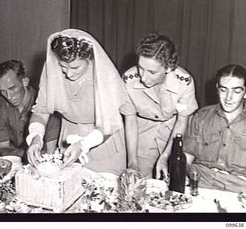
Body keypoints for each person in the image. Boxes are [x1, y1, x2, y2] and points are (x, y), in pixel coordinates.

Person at [25, 29, 137, 175]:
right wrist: (36, 137)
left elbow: (113, 121)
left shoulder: (104, 74)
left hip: (105, 146)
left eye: (76, 67)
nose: (69, 74)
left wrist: (84, 144)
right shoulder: (52, 68)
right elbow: (41, 110)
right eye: (63, 67)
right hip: (68, 142)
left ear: (91, 60)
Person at [123, 33, 198, 178]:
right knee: (140, 181)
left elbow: (182, 121)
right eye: (140, 68)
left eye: (152, 72)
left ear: (168, 68)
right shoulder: (129, 79)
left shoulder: (184, 82)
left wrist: (165, 156)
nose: (143, 77)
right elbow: (130, 119)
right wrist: (132, 161)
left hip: (174, 135)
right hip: (141, 134)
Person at [184, 64, 246, 193]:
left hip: (238, 188)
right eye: (224, 90)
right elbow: (186, 157)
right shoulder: (201, 116)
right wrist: (186, 176)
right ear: (217, 89)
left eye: (236, 91)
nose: (228, 98)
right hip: (201, 183)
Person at [0, 60, 60, 159]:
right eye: (3, 91)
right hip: (17, 160)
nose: (9, 97)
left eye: (12, 88)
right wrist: (25, 154)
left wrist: (22, 153)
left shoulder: (45, 108)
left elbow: (50, 153)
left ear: (25, 81)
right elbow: (3, 149)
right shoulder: (1, 108)